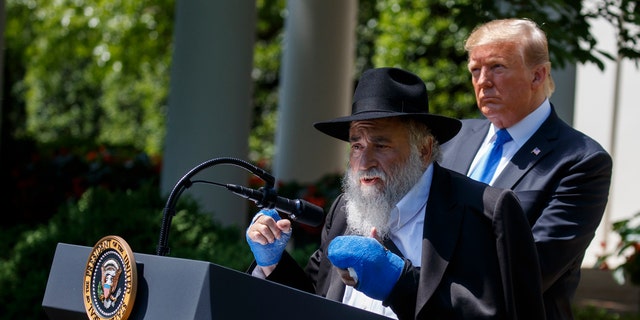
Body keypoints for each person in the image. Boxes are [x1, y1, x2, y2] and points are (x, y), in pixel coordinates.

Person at [245, 67, 545, 319]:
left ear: (424, 150)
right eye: (357, 146)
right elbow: (314, 302)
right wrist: (272, 262)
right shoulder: (345, 210)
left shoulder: (484, 212)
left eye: (381, 144)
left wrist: (399, 284)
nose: (364, 162)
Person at [438, 18, 613, 319]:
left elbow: (528, 270)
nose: (483, 81)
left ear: (538, 75)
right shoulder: (452, 139)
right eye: (475, 70)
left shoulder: (581, 160)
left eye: (497, 67)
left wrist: (412, 281)